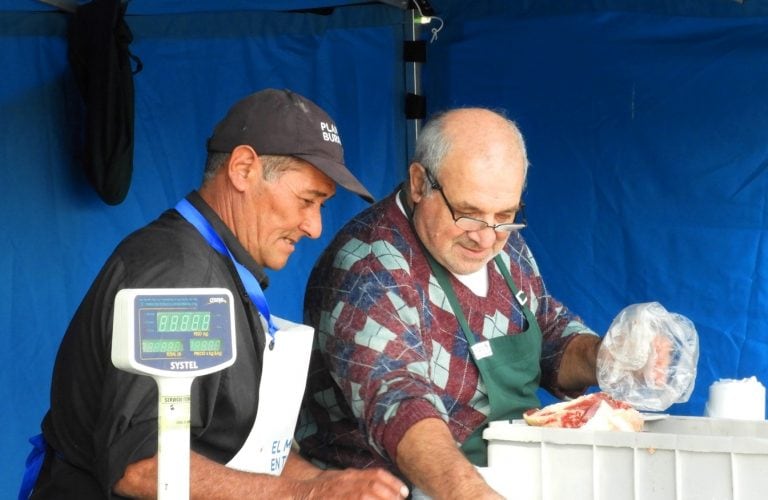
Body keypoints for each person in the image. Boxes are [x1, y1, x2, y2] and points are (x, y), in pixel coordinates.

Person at [24, 89, 409, 499]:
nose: (315, 227)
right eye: (306, 200)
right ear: (243, 169)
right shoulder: (183, 275)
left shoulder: (220, 264)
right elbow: (141, 464)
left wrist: (323, 482)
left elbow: (233, 447)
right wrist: (307, 495)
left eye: (321, 205)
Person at [296, 107, 618, 499]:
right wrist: (471, 493)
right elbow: (398, 401)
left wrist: (608, 356)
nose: (486, 239)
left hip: (508, 475)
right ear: (419, 184)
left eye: (506, 215)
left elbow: (544, 328)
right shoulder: (368, 267)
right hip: (405, 489)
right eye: (467, 215)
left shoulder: (499, 238)